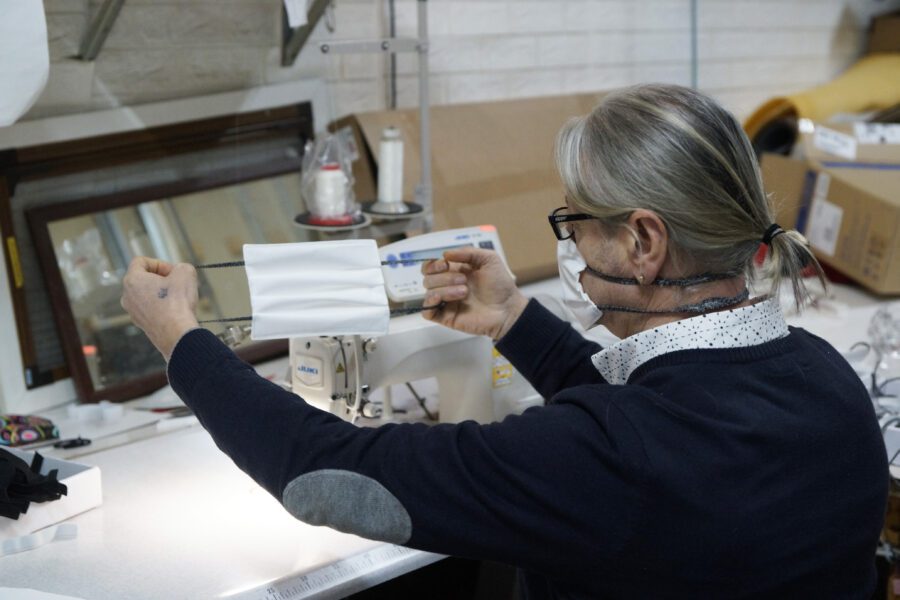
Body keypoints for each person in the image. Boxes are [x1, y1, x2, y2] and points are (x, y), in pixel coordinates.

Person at [121, 84, 887, 598]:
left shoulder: (617, 457)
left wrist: (182, 339)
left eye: (576, 222)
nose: (572, 243)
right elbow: (649, 420)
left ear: (643, 244)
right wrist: (515, 320)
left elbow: (329, 474)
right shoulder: (822, 378)